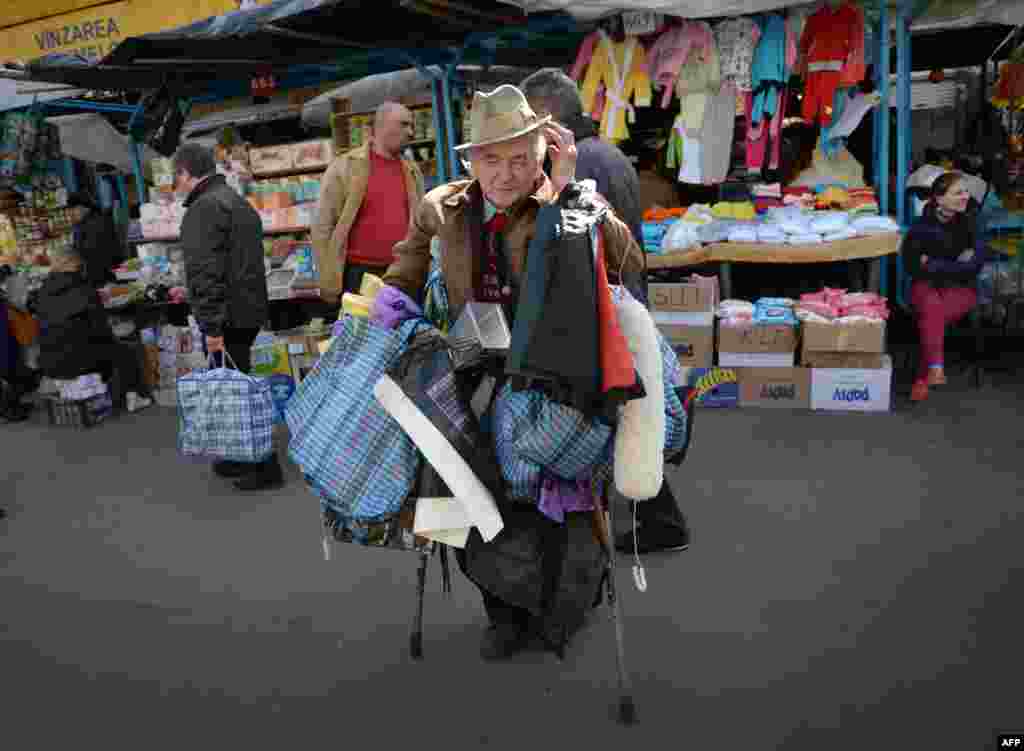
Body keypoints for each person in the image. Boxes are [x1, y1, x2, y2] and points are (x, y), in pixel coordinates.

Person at [376, 84, 645, 661]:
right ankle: (504, 612)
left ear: (542, 152)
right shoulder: (442, 208)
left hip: (555, 382)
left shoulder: (569, 202)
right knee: (478, 500)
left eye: (521, 158)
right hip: (475, 376)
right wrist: (390, 307)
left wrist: (569, 194)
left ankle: (561, 606)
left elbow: (625, 262)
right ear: (471, 160)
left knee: (553, 500)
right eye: (492, 159)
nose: (506, 173)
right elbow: (405, 266)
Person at [521, 68, 692, 557]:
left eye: (533, 117)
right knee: (630, 416)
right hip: (624, 298)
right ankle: (652, 516)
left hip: (610, 304)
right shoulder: (609, 153)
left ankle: (659, 519)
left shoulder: (581, 165)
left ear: (551, 115)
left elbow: (587, 246)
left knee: (625, 417)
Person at [173, 142, 281, 491]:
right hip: (246, 311)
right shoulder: (235, 201)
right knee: (238, 384)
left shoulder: (204, 209)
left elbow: (204, 274)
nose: (177, 186)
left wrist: (211, 327)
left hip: (227, 315)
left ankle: (265, 466)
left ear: (185, 174)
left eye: (178, 178)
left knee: (237, 391)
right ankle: (240, 456)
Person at [311, 102, 424, 300]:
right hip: (359, 275)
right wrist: (327, 278)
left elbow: (420, 223)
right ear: (382, 126)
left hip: (402, 274)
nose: (411, 132)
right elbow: (322, 226)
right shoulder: (345, 167)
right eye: (404, 124)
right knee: (363, 330)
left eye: (412, 126)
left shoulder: (412, 170)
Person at [32, 245, 153, 413]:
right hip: (80, 360)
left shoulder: (42, 292)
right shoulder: (84, 289)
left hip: (48, 360)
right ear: (74, 262)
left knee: (102, 346)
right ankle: (134, 396)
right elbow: (101, 330)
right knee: (125, 350)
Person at [901, 172, 988, 403]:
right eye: (958, 192)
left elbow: (974, 266)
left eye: (966, 192)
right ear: (939, 199)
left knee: (931, 316)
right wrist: (955, 263)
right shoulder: (921, 227)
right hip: (926, 288)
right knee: (931, 306)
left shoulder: (973, 223)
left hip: (961, 290)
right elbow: (911, 266)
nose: (965, 197)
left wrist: (933, 263)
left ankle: (926, 375)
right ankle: (933, 370)